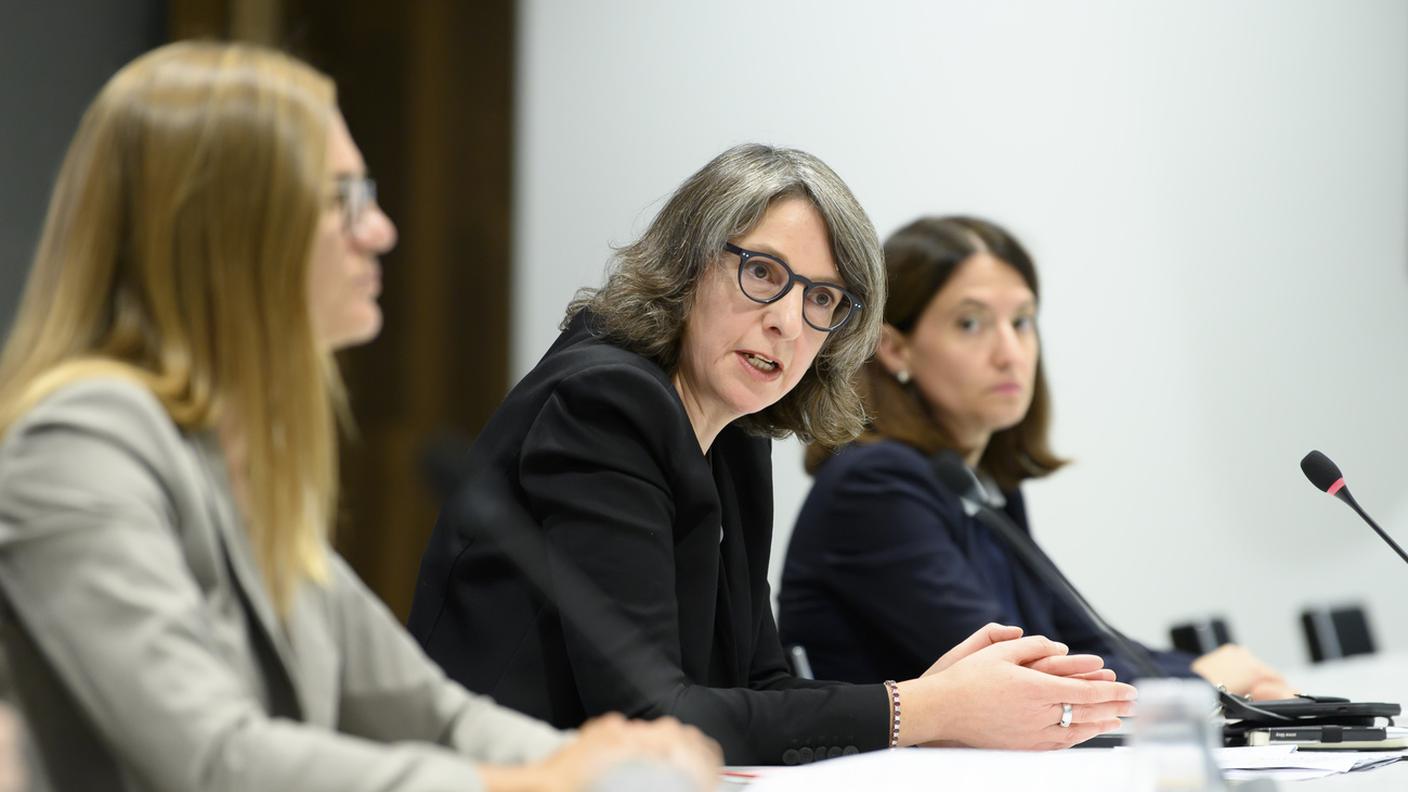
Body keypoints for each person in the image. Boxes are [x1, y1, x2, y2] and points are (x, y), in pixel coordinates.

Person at [0, 41, 720, 792]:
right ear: (226, 227)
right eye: (342, 198)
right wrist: (539, 782)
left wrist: (618, 766)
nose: (380, 230)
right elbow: (212, 760)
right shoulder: (79, 448)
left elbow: (431, 713)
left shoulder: (238, 455)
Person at [409, 146, 1137, 767]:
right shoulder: (605, 404)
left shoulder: (733, 436)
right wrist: (922, 709)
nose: (788, 320)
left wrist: (932, 700)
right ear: (689, 262)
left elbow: (758, 685)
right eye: (763, 273)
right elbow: (649, 716)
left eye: (823, 298)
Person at [777, 215, 1293, 699]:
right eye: (971, 324)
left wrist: (1202, 676)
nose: (1010, 352)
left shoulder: (975, 482)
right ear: (894, 349)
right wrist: (1201, 684)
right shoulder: (873, 487)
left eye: (1022, 321)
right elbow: (1018, 676)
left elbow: (1080, 640)